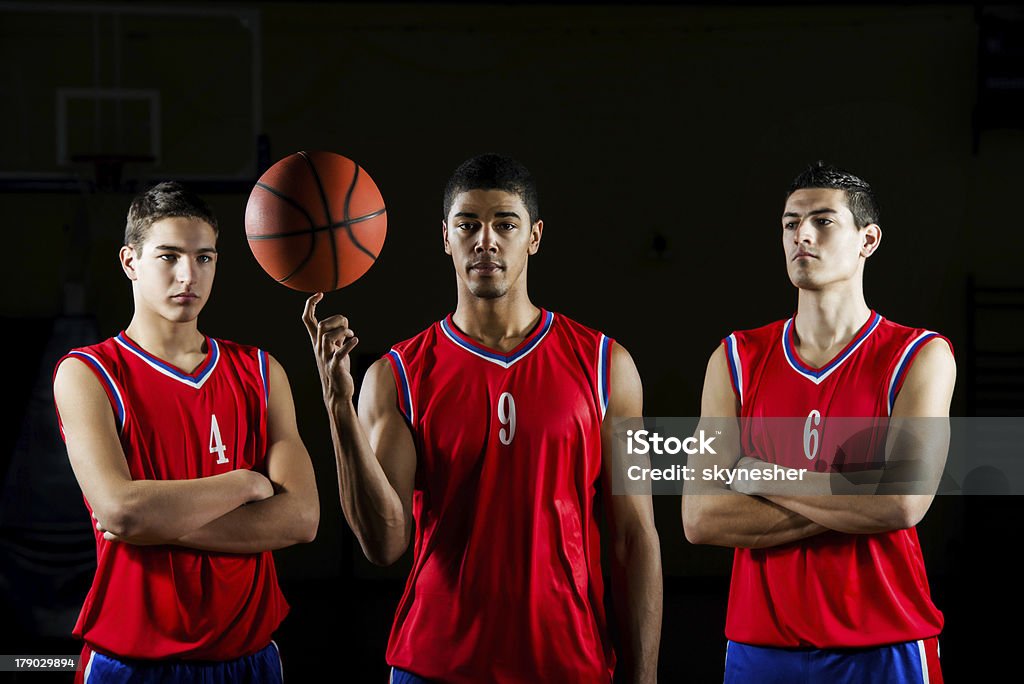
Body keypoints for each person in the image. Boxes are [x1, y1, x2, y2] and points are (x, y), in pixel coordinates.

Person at [303, 154, 662, 683]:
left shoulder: (608, 367)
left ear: (534, 237)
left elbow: (635, 538)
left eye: (506, 224)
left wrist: (645, 677)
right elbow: (384, 545)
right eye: (468, 225)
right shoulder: (396, 375)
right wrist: (338, 408)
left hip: (568, 664)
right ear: (445, 237)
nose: (485, 240)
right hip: (436, 665)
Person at [682, 162, 955, 683]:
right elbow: (701, 517)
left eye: (823, 221)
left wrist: (760, 475)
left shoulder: (918, 354)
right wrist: (859, 498)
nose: (801, 234)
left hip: (885, 642)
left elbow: (902, 502)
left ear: (867, 240)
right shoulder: (737, 357)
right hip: (759, 643)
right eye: (790, 223)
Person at [52, 182, 319, 683]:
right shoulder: (88, 373)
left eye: (204, 258)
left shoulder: (260, 371)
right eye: (169, 256)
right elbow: (121, 511)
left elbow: (302, 518)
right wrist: (245, 483)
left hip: (251, 655)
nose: (188, 275)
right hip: (131, 661)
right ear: (130, 261)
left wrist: (155, 524)